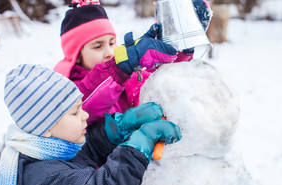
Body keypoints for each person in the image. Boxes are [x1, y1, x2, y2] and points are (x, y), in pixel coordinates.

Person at [0, 64, 182, 185]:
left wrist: (120, 128)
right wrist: (140, 144)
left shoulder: (53, 151)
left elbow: (88, 149)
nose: (85, 115)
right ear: (45, 128)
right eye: (75, 112)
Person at [54, 0, 211, 124]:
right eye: (97, 46)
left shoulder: (124, 78)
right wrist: (118, 68)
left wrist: (180, 50)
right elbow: (86, 106)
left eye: (111, 43)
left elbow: (155, 87)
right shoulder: (67, 90)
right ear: (76, 55)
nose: (109, 53)